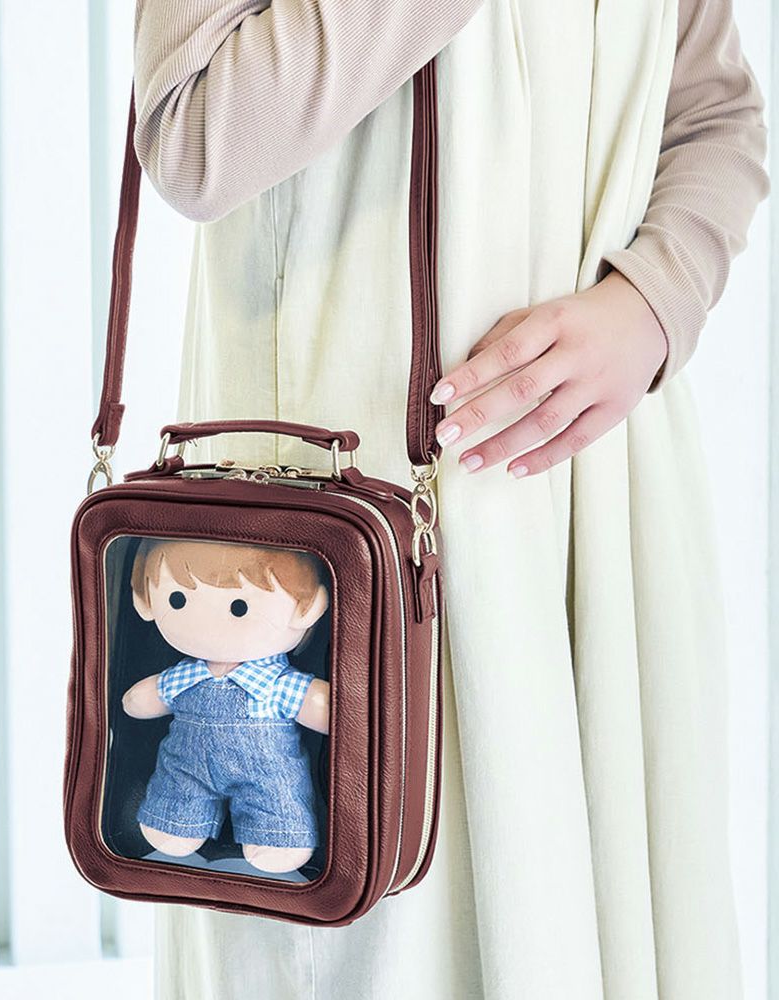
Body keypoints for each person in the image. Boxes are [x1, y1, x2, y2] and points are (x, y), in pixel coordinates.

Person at [129, 1, 770, 997]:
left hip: (594, 488)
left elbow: (713, 112)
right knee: (378, 916)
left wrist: (651, 300)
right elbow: (196, 139)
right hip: (350, 494)